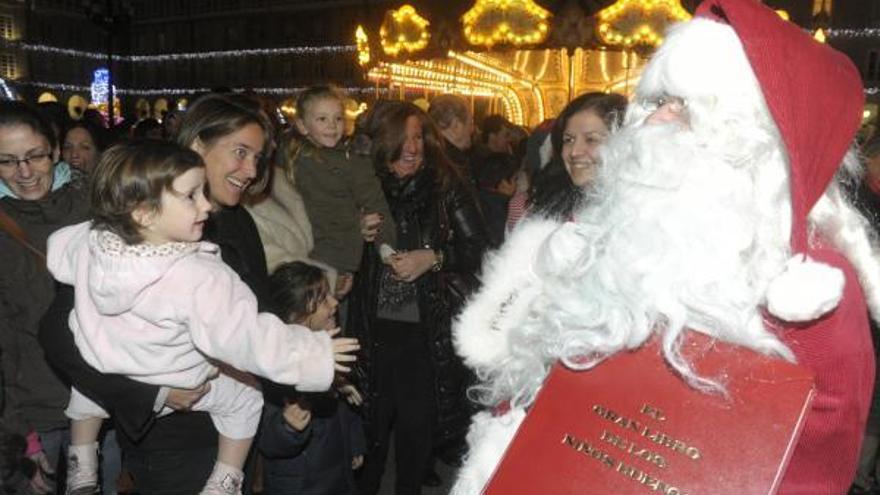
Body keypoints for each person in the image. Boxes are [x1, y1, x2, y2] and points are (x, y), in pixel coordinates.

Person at [451, 1, 879, 494]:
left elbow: (817, 470)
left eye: (684, 108)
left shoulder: (811, 291)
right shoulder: (617, 238)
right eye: (655, 102)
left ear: (754, 140)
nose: (653, 123)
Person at [47, 141, 359, 495]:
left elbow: (58, 253)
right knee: (246, 393)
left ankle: (81, 461)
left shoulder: (92, 241)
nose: (206, 205)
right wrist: (314, 354)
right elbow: (248, 335)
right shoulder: (198, 276)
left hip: (113, 362)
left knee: (87, 383)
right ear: (144, 213)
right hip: (180, 374)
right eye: (191, 196)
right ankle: (225, 480)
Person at [38, 93, 281, 494]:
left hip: (232, 429)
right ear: (198, 144)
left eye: (258, 158)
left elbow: (260, 312)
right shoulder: (137, 220)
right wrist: (155, 393)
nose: (251, 169)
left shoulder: (238, 222)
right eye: (240, 152)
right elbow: (58, 333)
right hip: (169, 441)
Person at [348, 102, 490, 495]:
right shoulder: (359, 183)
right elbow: (323, 249)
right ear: (381, 141)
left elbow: (479, 246)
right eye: (402, 138)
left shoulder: (445, 183)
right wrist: (352, 232)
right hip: (367, 328)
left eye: (418, 137)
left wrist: (434, 257)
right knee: (368, 433)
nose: (413, 147)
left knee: (416, 435)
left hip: (424, 334)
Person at [0, 101, 121, 495]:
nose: (24, 172)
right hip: (34, 413)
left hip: (102, 398)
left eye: (34, 156)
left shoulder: (92, 203)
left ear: (54, 150)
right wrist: (19, 435)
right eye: (7, 161)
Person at [259, 261, 366, 495]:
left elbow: (346, 410)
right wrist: (287, 427)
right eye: (323, 300)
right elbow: (266, 440)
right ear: (296, 315)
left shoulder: (329, 346)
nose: (335, 302)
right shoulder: (273, 363)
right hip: (301, 483)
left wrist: (354, 443)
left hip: (337, 471)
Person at [291, 85, 395, 296]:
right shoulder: (291, 158)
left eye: (338, 119)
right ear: (302, 125)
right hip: (302, 252)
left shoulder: (352, 162)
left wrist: (385, 244)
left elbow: (374, 201)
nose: (332, 126)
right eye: (322, 119)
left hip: (336, 253)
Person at [528, 92, 627, 220]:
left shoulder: (643, 215)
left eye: (591, 139)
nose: (574, 152)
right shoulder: (549, 207)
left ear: (622, 142)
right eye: (568, 140)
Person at [428, 94, 476, 186]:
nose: (472, 129)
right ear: (456, 126)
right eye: (470, 123)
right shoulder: (453, 166)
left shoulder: (426, 155)